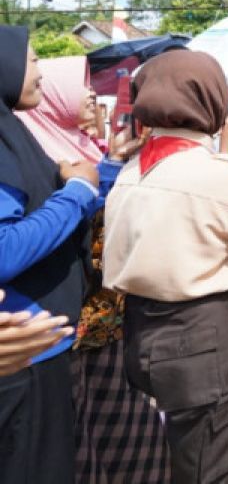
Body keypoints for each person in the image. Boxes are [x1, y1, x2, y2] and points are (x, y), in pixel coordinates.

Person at [103, 49, 228, 484]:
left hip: (146, 334)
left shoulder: (130, 172)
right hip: (210, 340)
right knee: (218, 462)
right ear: (209, 101)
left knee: (190, 454)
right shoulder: (218, 174)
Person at [17, 55, 170, 481]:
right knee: (86, 443)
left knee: (126, 436)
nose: (89, 93)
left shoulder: (78, 147)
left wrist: (110, 166)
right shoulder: (43, 155)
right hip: (73, 328)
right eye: (78, 84)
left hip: (105, 321)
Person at [0, 27, 102, 483]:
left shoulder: (11, 129)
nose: (41, 70)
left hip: (37, 347)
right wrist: (77, 193)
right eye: (33, 59)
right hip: (23, 355)